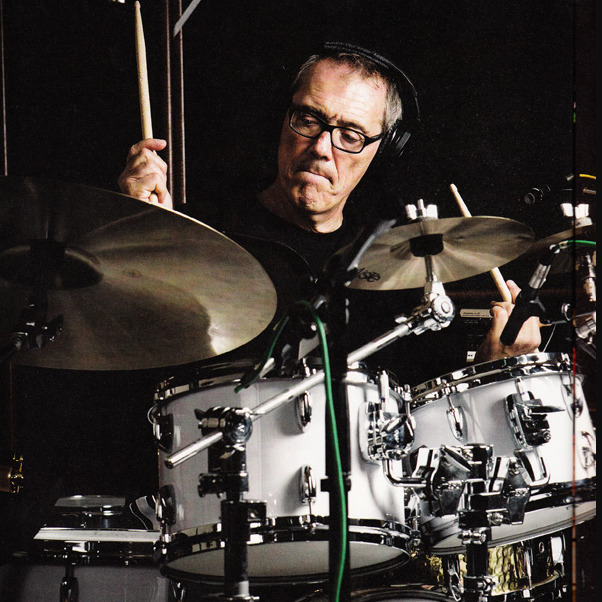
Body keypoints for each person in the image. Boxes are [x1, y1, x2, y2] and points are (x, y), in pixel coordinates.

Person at [118, 44, 541, 374]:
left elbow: (425, 425)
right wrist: (141, 242)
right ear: (284, 119)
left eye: (351, 135)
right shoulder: (199, 232)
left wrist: (495, 366)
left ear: (380, 150)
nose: (321, 147)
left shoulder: (405, 264)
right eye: (308, 119)